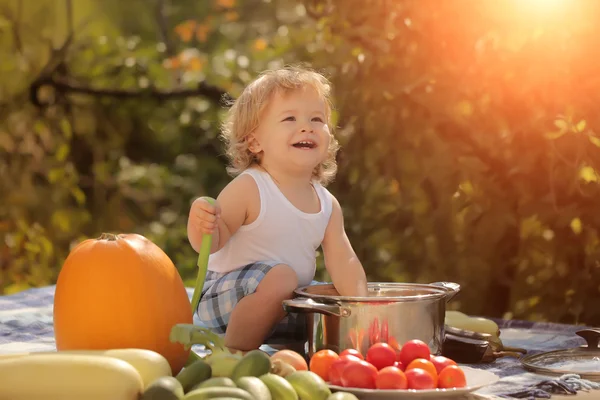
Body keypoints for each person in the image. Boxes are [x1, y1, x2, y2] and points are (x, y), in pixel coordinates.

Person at [187, 65, 368, 352]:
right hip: (222, 301)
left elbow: (344, 262)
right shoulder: (251, 187)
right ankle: (236, 355)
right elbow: (211, 241)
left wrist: (363, 306)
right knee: (283, 277)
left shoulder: (326, 204)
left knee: (331, 297)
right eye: (289, 118)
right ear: (255, 141)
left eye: (316, 119)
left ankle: (349, 349)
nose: (306, 126)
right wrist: (202, 223)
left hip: (282, 305)